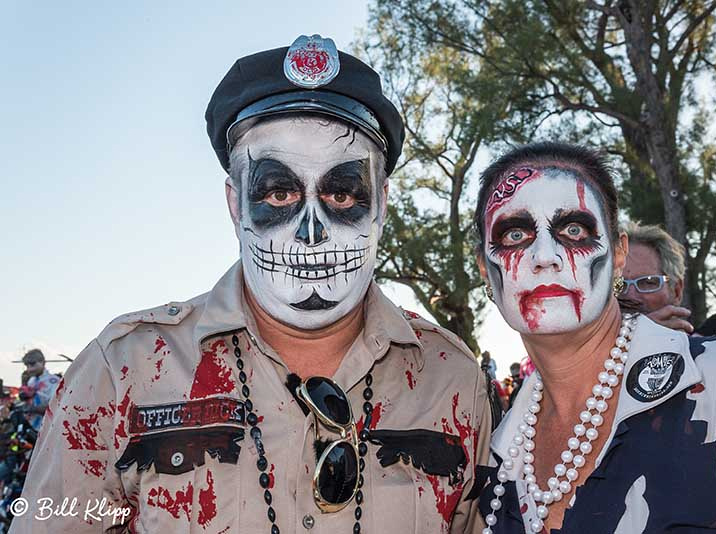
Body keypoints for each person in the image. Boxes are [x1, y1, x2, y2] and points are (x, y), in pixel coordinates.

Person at [13, 35, 490, 534]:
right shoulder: (124, 369)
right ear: (236, 204)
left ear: (383, 204)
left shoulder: (451, 380)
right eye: (278, 191)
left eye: (344, 194)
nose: (312, 230)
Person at [473, 142, 716, 533]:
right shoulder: (499, 450)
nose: (545, 256)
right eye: (514, 234)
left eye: (574, 229)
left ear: (619, 253)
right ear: (484, 269)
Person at [621, 222, 693, 333]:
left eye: (648, 282)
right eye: (618, 284)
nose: (630, 296)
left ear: (676, 291)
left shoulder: (710, 348)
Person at [19, 349, 61, 431]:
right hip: (32, 428)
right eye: (27, 366)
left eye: (32, 364)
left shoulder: (53, 382)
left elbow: (56, 406)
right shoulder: (32, 381)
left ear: (43, 362)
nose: (29, 369)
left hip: (49, 429)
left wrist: (33, 409)